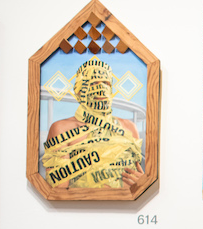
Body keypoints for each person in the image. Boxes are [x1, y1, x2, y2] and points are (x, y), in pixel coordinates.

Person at [42, 56, 144, 189]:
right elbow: (58, 189)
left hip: (129, 207)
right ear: (78, 91)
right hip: (84, 208)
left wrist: (144, 183)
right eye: (93, 83)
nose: (101, 88)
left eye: (106, 83)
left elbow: (137, 174)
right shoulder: (62, 129)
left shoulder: (129, 127)